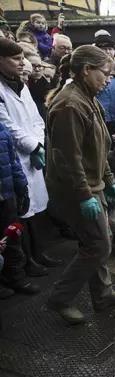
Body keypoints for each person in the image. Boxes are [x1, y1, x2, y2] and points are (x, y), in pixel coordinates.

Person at [46, 45, 115, 325]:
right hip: (75, 188)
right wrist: (85, 194)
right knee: (98, 246)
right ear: (86, 70)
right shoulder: (69, 104)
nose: (108, 80)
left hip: (92, 183)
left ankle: (102, 294)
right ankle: (59, 299)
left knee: (96, 241)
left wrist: (106, 179)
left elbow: (99, 144)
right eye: (105, 74)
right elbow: (69, 159)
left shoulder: (87, 96)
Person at [0, 39, 54, 277]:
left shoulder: (22, 86)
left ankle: (39, 253)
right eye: (16, 59)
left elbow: (36, 119)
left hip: (33, 155)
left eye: (23, 58)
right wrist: (32, 147)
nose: (23, 63)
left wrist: (39, 144)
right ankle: (27, 261)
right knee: (22, 212)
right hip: (16, 158)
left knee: (36, 210)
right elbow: (8, 126)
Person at [0, 120, 35, 297]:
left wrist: (22, 187)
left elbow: (13, 161)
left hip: (7, 195)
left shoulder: (2, 130)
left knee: (13, 236)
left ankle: (16, 277)